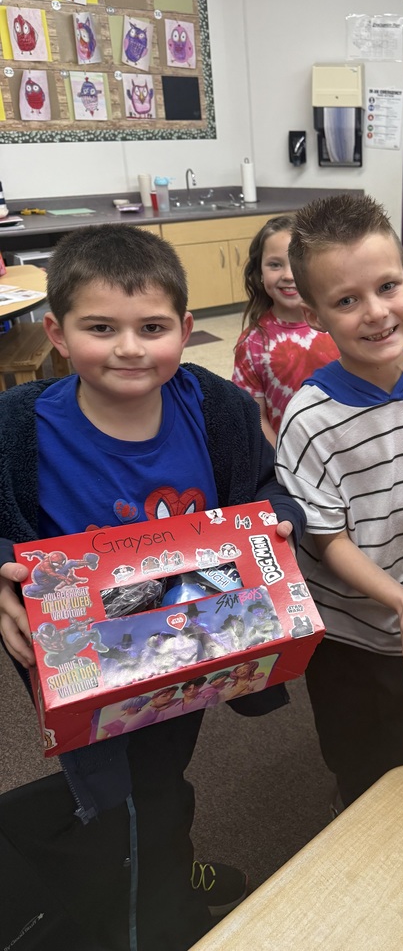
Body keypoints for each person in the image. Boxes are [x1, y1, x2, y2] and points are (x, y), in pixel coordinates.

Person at [0, 223, 305, 951]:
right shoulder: (19, 425)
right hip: (83, 658)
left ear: (186, 329)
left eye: (153, 327)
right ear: (59, 333)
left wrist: (279, 523)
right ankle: (145, 907)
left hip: (195, 647)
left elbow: (267, 490)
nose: (130, 348)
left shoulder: (217, 408)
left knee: (164, 766)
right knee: (115, 793)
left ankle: (168, 855)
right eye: (101, 327)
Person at [275, 193, 403, 808]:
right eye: (346, 300)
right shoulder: (309, 420)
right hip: (348, 630)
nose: (376, 312)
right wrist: (397, 599)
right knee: (361, 758)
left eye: (388, 286)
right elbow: (326, 538)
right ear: (314, 314)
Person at [232, 214, 339, 445]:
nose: (289, 275)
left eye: (298, 264)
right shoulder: (252, 344)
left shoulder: (339, 324)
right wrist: (282, 461)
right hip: (290, 458)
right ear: (259, 273)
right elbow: (256, 417)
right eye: (275, 265)